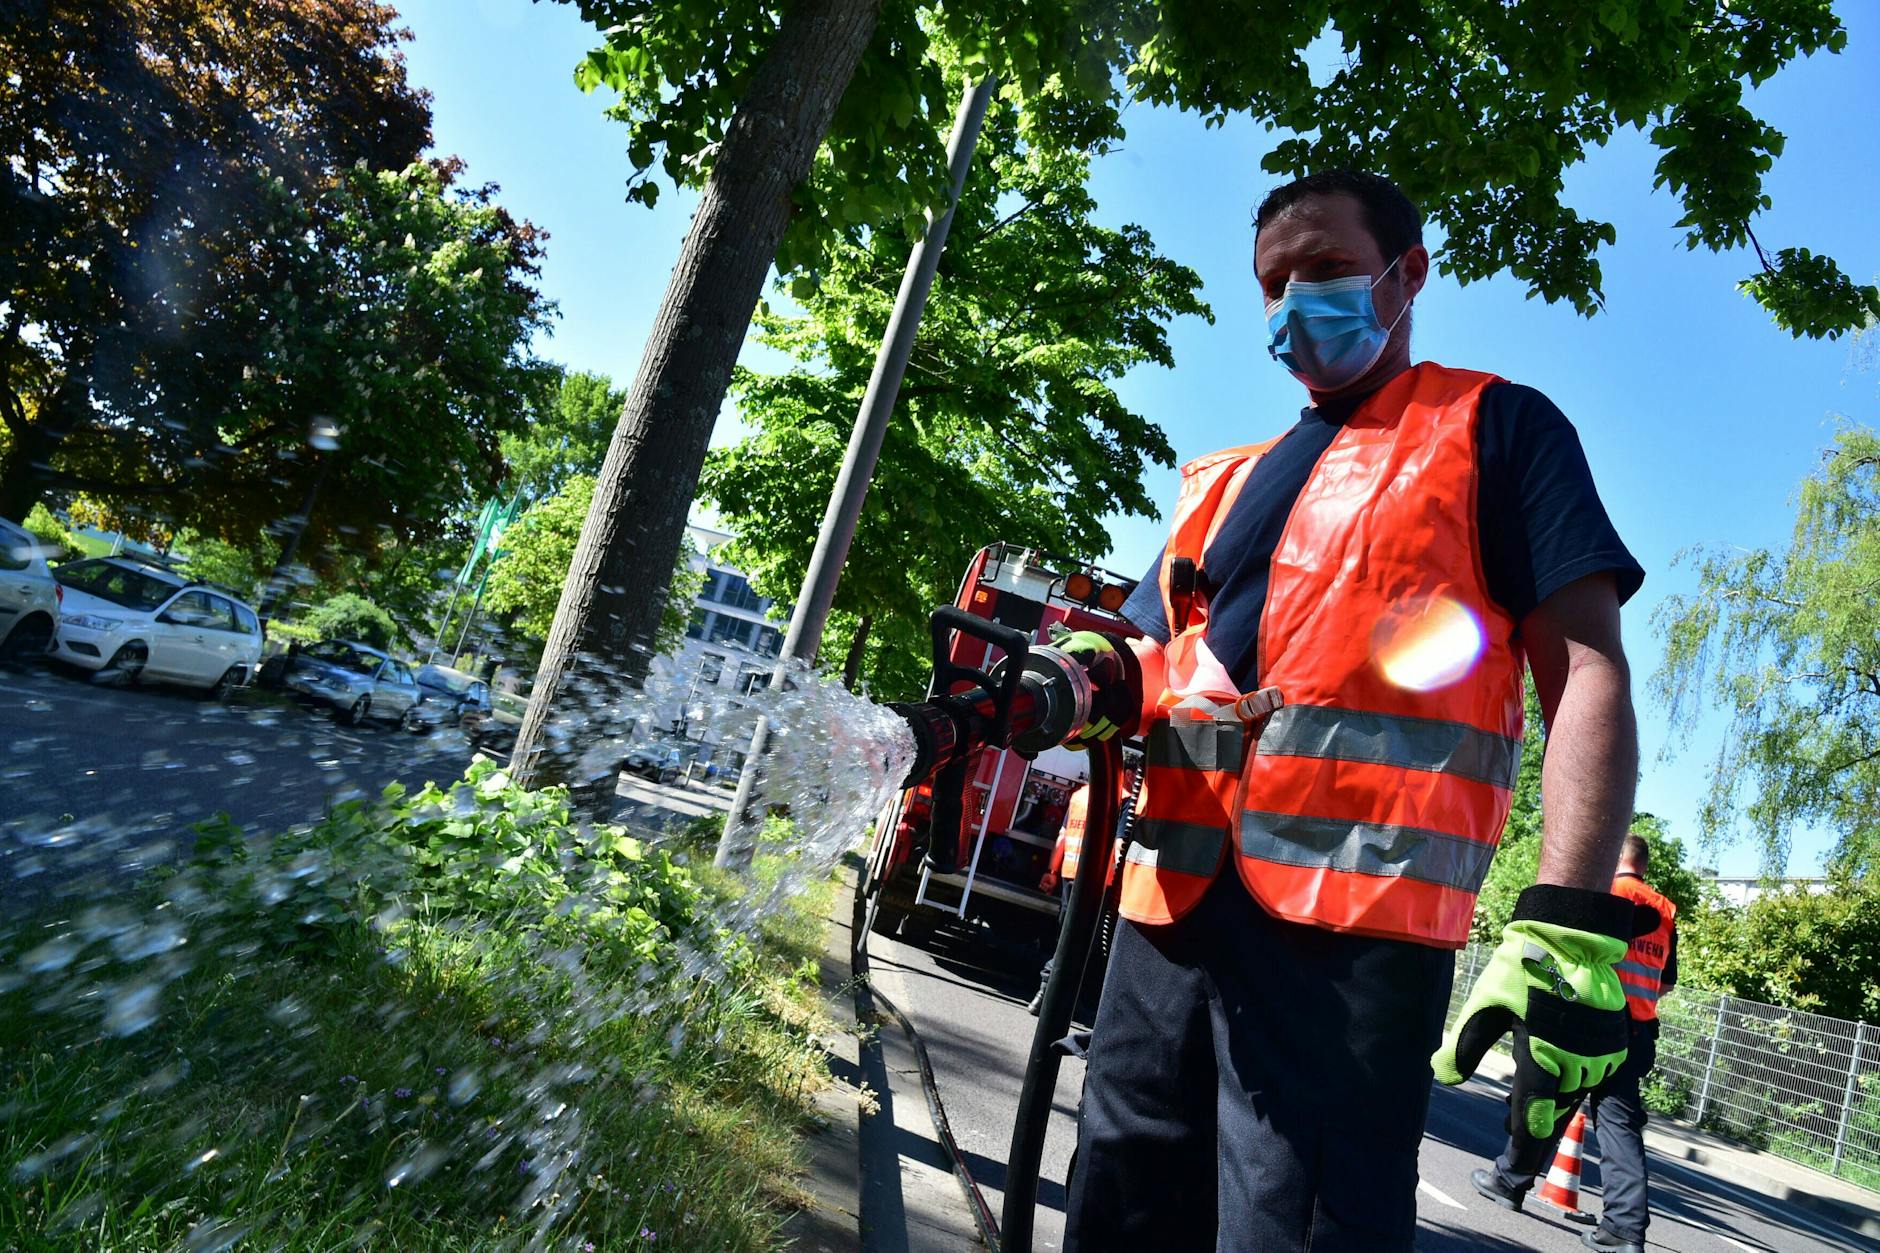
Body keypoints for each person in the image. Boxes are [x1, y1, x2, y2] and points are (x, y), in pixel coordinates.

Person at [1051, 170, 1649, 1252]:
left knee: (1299, 1223)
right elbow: (1142, 648)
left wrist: (1568, 910)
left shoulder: (1494, 431)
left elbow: (1586, 668)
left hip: (1350, 936)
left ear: (1404, 273)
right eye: (1269, 283)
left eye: (1320, 269)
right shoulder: (1222, 482)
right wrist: (1061, 675)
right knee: (1120, 1188)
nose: (1289, 304)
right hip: (1168, 912)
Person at [1471, 833, 1679, 1253]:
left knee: (1553, 1100)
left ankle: (1510, 1181)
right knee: (1619, 1125)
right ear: (1644, 865)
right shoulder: (1664, 909)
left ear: (1617, 856)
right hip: (1637, 1030)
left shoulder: (1607, 890)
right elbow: (1668, 981)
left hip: (1591, 1021)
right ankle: (1623, 1227)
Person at [1028, 783, 1090, 1016]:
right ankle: (1048, 993)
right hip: (1095, 880)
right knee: (1076, 941)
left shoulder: (1079, 797)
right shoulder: (1117, 800)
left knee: (1068, 937)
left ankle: (1049, 995)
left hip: (1070, 873)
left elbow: (1063, 836)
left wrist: (1051, 871)